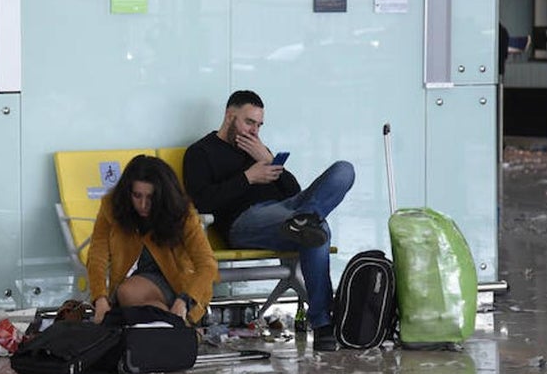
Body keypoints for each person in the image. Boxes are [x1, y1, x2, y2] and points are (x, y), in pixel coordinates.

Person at [183, 90, 355, 351]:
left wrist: (265, 157)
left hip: (286, 211)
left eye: (259, 125)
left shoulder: (257, 149)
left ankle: (305, 221)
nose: (254, 130)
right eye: (249, 122)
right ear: (230, 116)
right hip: (244, 222)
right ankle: (322, 324)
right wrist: (248, 177)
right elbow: (203, 201)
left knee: (344, 170)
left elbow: (294, 193)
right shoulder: (200, 152)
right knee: (317, 230)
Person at [87, 155, 217, 326]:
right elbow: (97, 256)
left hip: (180, 285)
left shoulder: (183, 214)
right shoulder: (111, 207)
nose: (143, 204)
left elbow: (207, 265)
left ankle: (167, 330)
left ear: (164, 196)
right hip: (140, 286)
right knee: (147, 304)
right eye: (137, 195)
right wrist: (100, 299)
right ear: (127, 193)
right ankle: (175, 332)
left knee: (130, 293)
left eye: (150, 197)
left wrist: (185, 300)